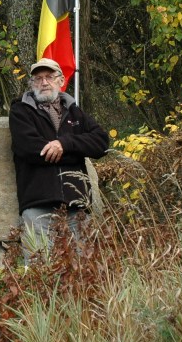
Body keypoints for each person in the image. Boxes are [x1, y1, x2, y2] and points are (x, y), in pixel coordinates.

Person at [8, 57, 109, 253]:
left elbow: (101, 143)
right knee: (40, 273)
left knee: (83, 274)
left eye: (49, 77)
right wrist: (77, 152)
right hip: (38, 207)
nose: (44, 82)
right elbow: (30, 149)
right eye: (38, 78)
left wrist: (65, 143)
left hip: (76, 208)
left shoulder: (75, 113)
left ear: (60, 80)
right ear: (31, 83)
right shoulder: (20, 111)